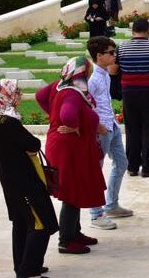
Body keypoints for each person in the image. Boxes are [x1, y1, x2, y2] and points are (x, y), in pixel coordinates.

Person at [0, 79, 59, 278]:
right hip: (23, 181)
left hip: (14, 180)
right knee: (39, 223)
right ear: (5, 95)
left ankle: (24, 263)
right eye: (15, 91)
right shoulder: (8, 123)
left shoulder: (0, 118)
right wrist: (31, 144)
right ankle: (28, 271)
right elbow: (32, 144)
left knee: (22, 222)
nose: (19, 94)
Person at [36, 57, 106, 254]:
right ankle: (66, 240)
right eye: (88, 71)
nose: (90, 75)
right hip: (69, 149)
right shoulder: (73, 94)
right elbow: (68, 114)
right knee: (72, 192)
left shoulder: (60, 84)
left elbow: (40, 95)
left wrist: (53, 116)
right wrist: (74, 126)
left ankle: (75, 233)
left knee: (74, 188)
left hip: (63, 146)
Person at [86, 37, 131, 231]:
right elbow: (86, 104)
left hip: (111, 125)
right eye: (111, 53)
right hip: (101, 129)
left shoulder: (105, 73)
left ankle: (111, 204)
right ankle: (96, 214)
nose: (115, 55)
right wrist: (97, 126)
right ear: (99, 56)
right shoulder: (92, 78)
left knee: (122, 163)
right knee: (96, 171)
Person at [116, 18, 149, 177]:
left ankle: (132, 166)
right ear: (148, 31)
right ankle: (147, 167)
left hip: (129, 92)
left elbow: (113, 70)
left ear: (133, 31)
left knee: (132, 129)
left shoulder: (122, 47)